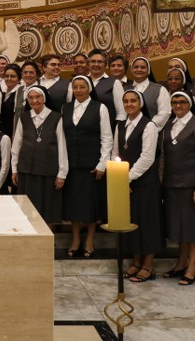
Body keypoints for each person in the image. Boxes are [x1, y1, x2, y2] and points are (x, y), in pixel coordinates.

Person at [162, 90, 195, 286]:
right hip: (171, 184)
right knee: (179, 226)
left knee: (193, 226)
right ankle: (181, 263)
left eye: (182, 102)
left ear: (189, 104)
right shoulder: (168, 125)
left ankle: (192, 266)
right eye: (174, 102)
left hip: (192, 184)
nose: (178, 105)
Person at [115, 89, 163, 283]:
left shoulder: (149, 125)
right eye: (126, 101)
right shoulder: (120, 125)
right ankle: (136, 261)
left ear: (140, 103)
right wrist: (120, 179)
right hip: (126, 182)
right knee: (132, 221)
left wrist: (127, 178)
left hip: (145, 183)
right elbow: (115, 153)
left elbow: (148, 157)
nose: (129, 104)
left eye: (133, 101)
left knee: (148, 222)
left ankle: (148, 265)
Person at [62, 75, 112, 258]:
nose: (78, 90)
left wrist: (102, 164)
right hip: (71, 165)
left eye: (82, 87)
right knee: (73, 204)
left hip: (92, 165)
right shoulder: (65, 108)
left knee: (91, 205)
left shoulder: (100, 108)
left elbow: (107, 138)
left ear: (89, 88)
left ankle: (90, 238)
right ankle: (76, 239)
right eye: (75, 87)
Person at [11, 87, 67, 225]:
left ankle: (47, 237)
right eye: (31, 98)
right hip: (27, 171)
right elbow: (16, 145)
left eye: (38, 97)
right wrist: (14, 169)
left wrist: (62, 173)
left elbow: (62, 146)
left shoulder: (56, 117)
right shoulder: (24, 117)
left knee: (48, 209)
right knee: (27, 209)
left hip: (48, 171)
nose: (34, 100)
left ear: (44, 98)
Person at [127, 57, 171, 130]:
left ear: (148, 70)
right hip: (128, 131)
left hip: (151, 131)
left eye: (143, 67)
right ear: (131, 69)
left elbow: (164, 113)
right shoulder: (125, 89)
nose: (139, 69)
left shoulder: (160, 89)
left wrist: (147, 127)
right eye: (136, 67)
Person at [87, 49, 125, 127]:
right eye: (93, 61)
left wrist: (117, 130)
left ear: (105, 65)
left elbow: (121, 113)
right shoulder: (81, 81)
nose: (96, 64)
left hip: (107, 128)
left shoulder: (114, 83)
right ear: (88, 64)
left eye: (100, 62)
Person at [0, 64, 23, 138]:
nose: (9, 79)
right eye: (6, 76)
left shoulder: (20, 94)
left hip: (13, 134)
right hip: (3, 133)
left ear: (19, 79)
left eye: (13, 76)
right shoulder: (3, 93)